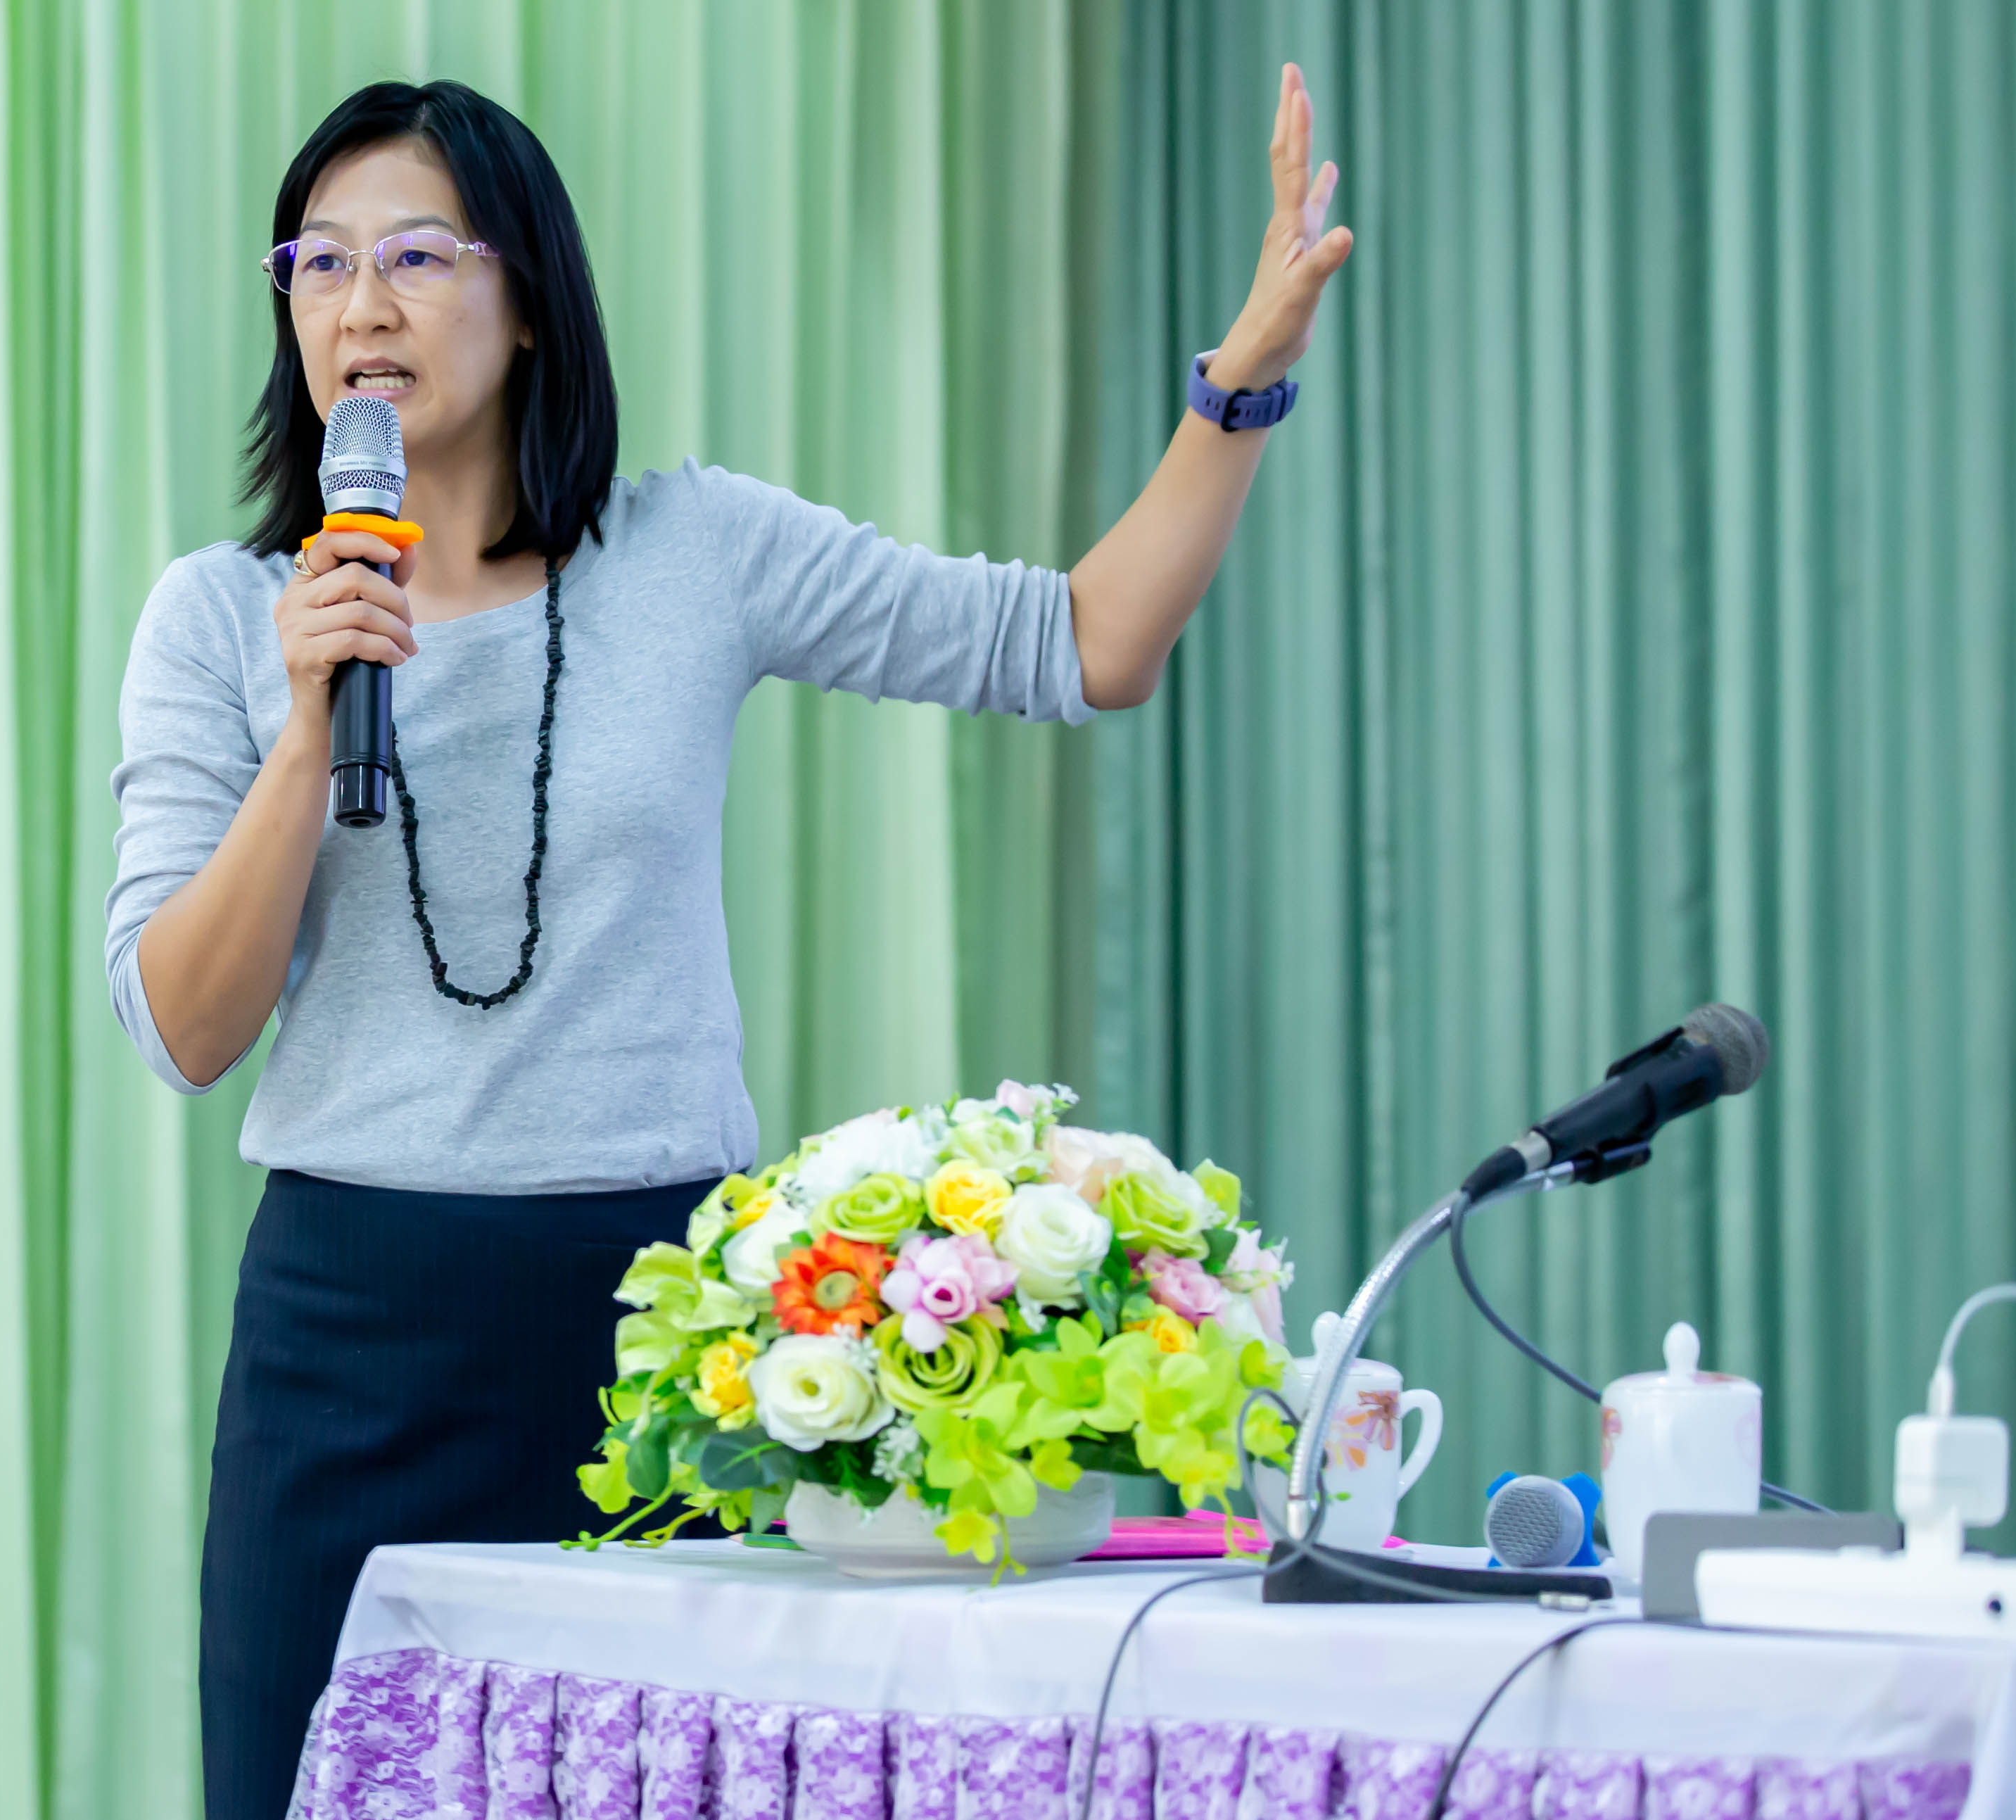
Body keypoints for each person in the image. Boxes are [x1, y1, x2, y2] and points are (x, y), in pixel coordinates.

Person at [102, 72, 1352, 1820]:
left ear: (528, 300)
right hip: (350, 1338)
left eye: (414, 255)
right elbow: (182, 1027)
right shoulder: (225, 617)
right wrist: (307, 732)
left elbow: (1084, 644)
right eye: (316, 261)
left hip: (657, 1340)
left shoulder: (695, 551)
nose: (359, 303)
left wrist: (1242, 385)